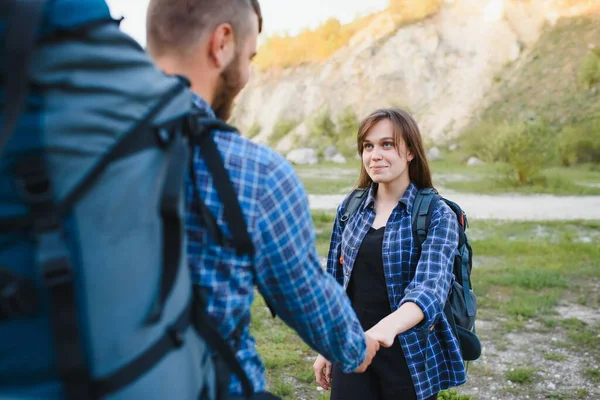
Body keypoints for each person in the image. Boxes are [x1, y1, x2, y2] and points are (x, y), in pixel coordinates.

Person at [145, 0, 379, 398]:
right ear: (222, 43)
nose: (248, 73)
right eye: (249, 56)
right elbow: (307, 297)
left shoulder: (70, 148)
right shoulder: (254, 172)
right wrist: (357, 347)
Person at [313, 108, 466, 400]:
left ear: (409, 152)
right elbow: (334, 286)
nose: (374, 155)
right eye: (368, 146)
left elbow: (430, 289)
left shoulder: (436, 214)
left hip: (410, 357)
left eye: (387, 144)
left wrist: (381, 332)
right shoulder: (351, 208)